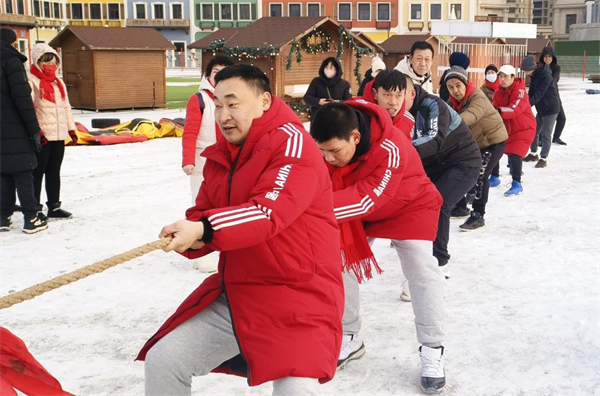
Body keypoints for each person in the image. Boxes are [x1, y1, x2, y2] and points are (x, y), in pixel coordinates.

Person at [137, 65, 344, 396]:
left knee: (297, 392)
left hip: (300, 300)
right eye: (217, 104)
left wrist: (202, 229)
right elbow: (202, 214)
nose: (223, 115)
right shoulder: (223, 155)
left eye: (233, 103)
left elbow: (267, 213)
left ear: (264, 101)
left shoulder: (293, 145)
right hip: (240, 294)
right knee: (165, 359)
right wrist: (188, 237)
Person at [310, 98, 446, 394]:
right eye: (322, 151)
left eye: (334, 151)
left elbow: (368, 198)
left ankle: (432, 348)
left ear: (355, 137)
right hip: (353, 207)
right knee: (337, 259)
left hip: (408, 204)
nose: (328, 159)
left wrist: (309, 210)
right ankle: (349, 335)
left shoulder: (391, 146)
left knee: (422, 270)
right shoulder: (331, 137)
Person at [404, 78, 481, 276]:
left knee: (438, 203)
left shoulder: (433, 105)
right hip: (436, 164)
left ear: (412, 93)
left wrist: (401, 150)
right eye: (388, 96)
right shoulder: (395, 113)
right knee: (415, 201)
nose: (393, 101)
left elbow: (433, 139)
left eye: (399, 95)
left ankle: (439, 261)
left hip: (463, 162)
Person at [181, 55, 234, 273]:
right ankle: (198, 251)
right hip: (204, 160)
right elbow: (190, 131)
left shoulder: (233, 97)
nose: (219, 75)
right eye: (216, 71)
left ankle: (224, 242)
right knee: (201, 203)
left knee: (227, 201)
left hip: (228, 160)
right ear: (208, 74)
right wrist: (188, 160)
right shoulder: (200, 99)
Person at [444, 66, 508, 230]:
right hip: (477, 143)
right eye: (450, 87)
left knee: (481, 175)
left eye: (458, 85)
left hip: (493, 141)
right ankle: (460, 206)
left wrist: (446, 125)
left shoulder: (477, 96)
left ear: (466, 83)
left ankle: (478, 215)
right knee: (459, 168)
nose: (455, 90)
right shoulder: (454, 102)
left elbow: (470, 116)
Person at [0, 28, 48, 234]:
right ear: (11, 43)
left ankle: (3, 217)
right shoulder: (12, 61)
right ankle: (31, 217)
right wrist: (34, 130)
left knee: (3, 173)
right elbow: (23, 101)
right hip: (15, 126)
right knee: (23, 171)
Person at [28, 43, 77, 220]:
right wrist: (36, 131)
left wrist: (71, 129)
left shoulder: (58, 82)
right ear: (38, 61)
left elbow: (65, 107)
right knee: (37, 172)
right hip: (42, 136)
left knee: (54, 171)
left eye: (53, 61)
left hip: (58, 133)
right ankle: (35, 208)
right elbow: (30, 109)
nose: (51, 65)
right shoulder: (32, 80)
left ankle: (54, 206)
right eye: (46, 61)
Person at [492, 65, 537, 196]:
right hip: (507, 128)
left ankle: (517, 183)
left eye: (505, 76)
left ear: (513, 77)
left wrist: (498, 111)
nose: (502, 79)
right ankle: (494, 177)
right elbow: (493, 108)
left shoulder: (520, 91)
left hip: (524, 128)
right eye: (500, 76)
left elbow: (514, 109)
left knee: (515, 153)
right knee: (494, 148)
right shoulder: (498, 92)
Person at [520, 55, 560, 169]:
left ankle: (543, 158)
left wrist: (526, 106)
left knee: (546, 134)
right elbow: (531, 93)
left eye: (526, 70)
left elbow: (539, 94)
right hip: (542, 108)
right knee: (534, 131)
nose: (526, 73)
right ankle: (533, 154)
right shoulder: (534, 75)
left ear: (532, 68)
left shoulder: (545, 76)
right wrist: (524, 103)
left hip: (551, 108)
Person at [368, 69, 416, 138]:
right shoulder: (363, 119)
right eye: (387, 95)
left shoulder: (408, 120)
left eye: (398, 95)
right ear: (375, 94)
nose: (393, 102)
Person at [539, 46, 567, 145]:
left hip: (554, 96)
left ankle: (556, 137)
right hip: (542, 98)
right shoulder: (540, 68)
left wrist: (546, 81)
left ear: (553, 57)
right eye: (545, 56)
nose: (547, 58)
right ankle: (540, 139)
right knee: (542, 119)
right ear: (542, 58)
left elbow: (554, 80)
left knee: (562, 118)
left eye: (549, 56)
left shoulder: (556, 68)